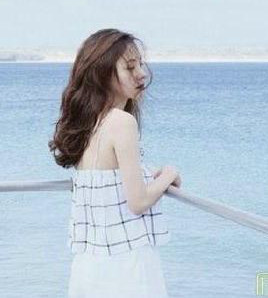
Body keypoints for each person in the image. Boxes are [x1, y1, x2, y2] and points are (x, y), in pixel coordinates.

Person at [49, 28, 181, 298]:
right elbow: (138, 202)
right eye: (130, 67)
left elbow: (107, 177)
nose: (141, 74)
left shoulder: (88, 122)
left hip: (89, 265)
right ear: (102, 73)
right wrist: (169, 174)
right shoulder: (122, 123)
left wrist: (147, 174)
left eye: (140, 64)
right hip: (126, 264)